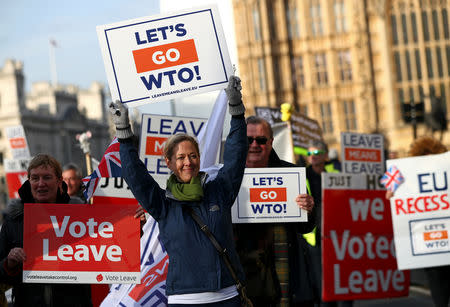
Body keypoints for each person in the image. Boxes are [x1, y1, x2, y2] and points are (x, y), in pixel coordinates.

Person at [109, 76, 247, 306]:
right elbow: (137, 177)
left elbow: (235, 156)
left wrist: (237, 111)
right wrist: (124, 132)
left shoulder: (219, 191)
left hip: (228, 296)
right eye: (180, 157)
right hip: (184, 298)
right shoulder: (163, 204)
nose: (188, 162)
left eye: (193, 156)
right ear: (169, 163)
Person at [234, 116, 316, 307]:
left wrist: (309, 209)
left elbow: (305, 227)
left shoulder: (291, 174)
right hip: (244, 272)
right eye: (248, 140)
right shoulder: (227, 178)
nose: (255, 145)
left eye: (261, 140)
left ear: (271, 142)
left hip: (283, 272)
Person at [0, 154, 92, 306]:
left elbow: (115, 252)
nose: (41, 184)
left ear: (59, 181)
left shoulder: (82, 219)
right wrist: (9, 264)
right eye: (35, 178)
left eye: (47, 177)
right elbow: (1, 275)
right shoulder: (14, 221)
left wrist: (137, 225)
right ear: (29, 181)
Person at [387, 136, 449, 307]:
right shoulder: (405, 172)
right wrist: (392, 192)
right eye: (425, 156)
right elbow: (388, 192)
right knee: (438, 289)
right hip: (429, 243)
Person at [299, 140, 351, 307]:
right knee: (322, 285)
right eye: (309, 154)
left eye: (316, 153)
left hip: (338, 234)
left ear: (325, 155)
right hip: (314, 237)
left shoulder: (336, 171)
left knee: (342, 280)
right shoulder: (301, 174)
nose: (312, 157)